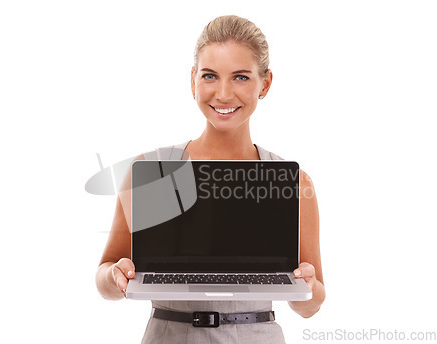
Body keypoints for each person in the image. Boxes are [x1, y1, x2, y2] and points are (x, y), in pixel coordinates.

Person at [95, 15, 325, 343]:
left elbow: (310, 305)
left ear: (266, 83)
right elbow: (105, 276)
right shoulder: (151, 171)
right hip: (168, 336)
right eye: (210, 76)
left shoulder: (295, 183)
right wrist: (114, 276)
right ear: (193, 81)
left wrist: (308, 286)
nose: (223, 93)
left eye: (241, 77)